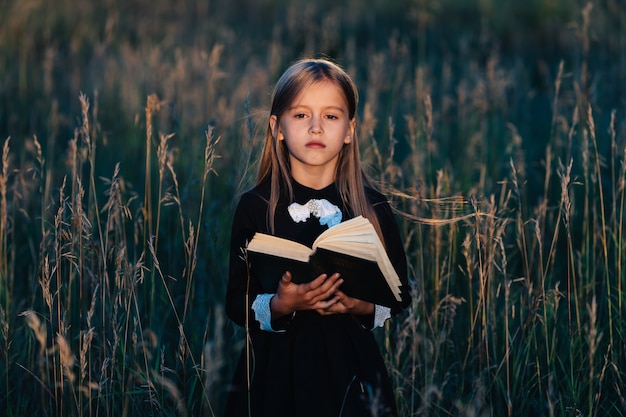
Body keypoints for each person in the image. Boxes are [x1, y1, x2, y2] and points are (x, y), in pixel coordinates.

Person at [224, 57, 411, 417]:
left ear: (350, 130)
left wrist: (357, 305)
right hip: (274, 372)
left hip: (351, 370)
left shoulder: (372, 207)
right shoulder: (255, 206)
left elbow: (400, 295)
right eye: (300, 115)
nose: (315, 128)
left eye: (330, 116)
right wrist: (280, 304)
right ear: (277, 127)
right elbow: (235, 300)